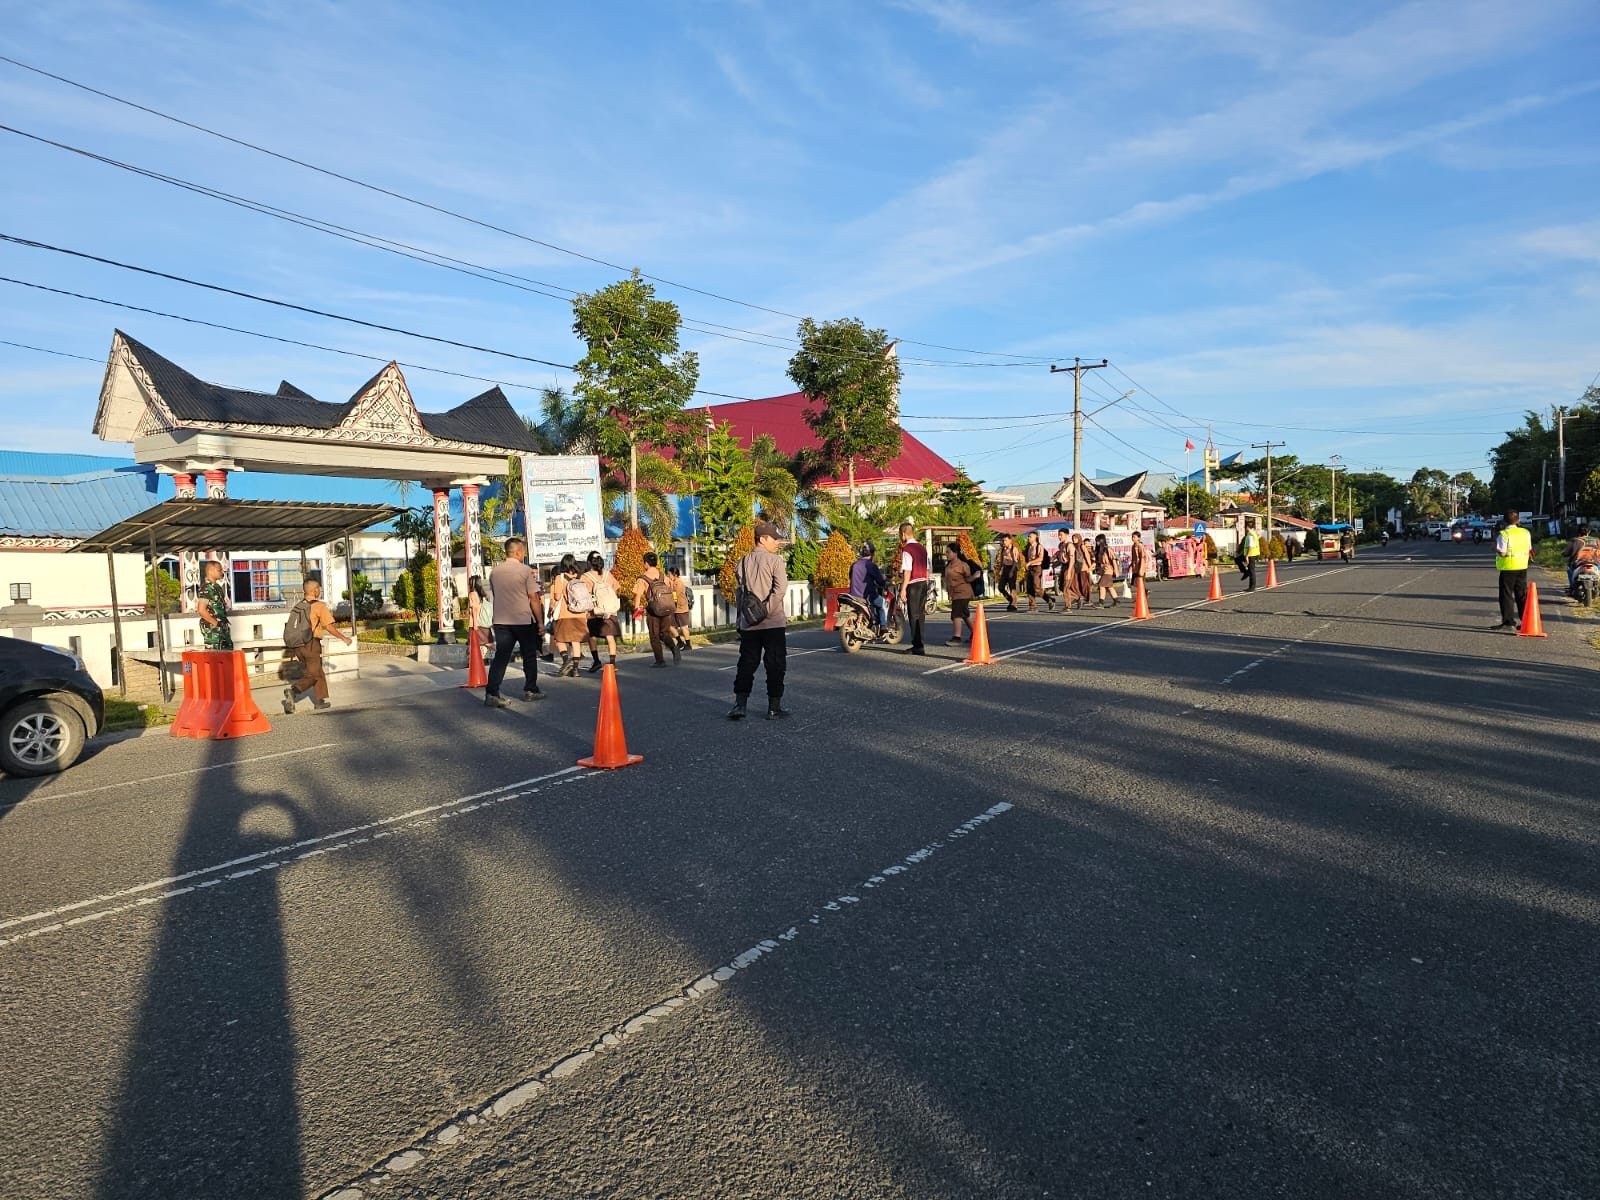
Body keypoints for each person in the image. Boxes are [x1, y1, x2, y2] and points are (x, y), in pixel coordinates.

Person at [729, 521, 790, 721]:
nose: (778, 543)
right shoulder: (776, 561)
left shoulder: (742, 562)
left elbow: (741, 594)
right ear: (762, 539)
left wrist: (742, 619)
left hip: (749, 623)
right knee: (775, 664)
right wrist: (766, 609)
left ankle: (740, 705)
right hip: (772, 623)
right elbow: (780, 589)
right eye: (775, 539)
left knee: (746, 663)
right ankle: (774, 708)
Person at [484, 536, 545, 707]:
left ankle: (492, 693)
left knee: (501, 657)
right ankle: (530, 690)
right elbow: (533, 598)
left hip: (501, 620)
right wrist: (540, 622)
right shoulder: (525, 571)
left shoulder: (495, 572)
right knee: (529, 655)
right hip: (523, 619)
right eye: (523, 552)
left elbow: (495, 595)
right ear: (518, 553)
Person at [282, 577, 352, 713]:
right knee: (313, 675)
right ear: (314, 591)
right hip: (311, 644)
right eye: (319, 588)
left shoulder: (297, 607)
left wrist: (294, 651)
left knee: (318, 672)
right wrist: (344, 638)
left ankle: (320, 702)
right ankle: (293, 691)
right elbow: (329, 627)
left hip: (298, 646)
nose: (319, 590)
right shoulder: (319, 606)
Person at [631, 551, 679, 667]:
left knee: (654, 636)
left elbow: (637, 595)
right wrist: (673, 604)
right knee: (664, 633)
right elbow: (672, 592)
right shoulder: (664, 577)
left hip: (653, 610)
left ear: (646, 563)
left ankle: (660, 661)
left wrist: (637, 611)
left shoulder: (643, 578)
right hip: (667, 608)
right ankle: (673, 647)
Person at [581, 551, 623, 673]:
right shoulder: (608, 575)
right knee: (610, 637)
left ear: (589, 563)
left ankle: (596, 661)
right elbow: (616, 588)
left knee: (592, 636)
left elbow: (585, 595)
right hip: (610, 610)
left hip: (595, 611)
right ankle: (612, 663)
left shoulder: (585, 577)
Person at [548, 554, 589, 676]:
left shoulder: (560, 577)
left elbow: (557, 596)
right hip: (580, 613)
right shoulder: (580, 577)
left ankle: (566, 661)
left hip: (565, 614)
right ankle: (575, 669)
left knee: (559, 639)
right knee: (576, 641)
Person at [1492, 510, 1532, 632]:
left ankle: (1508, 621)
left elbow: (1503, 553)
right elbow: (1529, 548)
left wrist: (1495, 548)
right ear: (1518, 520)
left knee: (1506, 595)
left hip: (1509, 567)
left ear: (1504, 522)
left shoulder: (1504, 534)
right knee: (1521, 594)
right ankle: (1525, 621)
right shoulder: (1525, 532)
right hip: (1522, 566)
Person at [898, 522, 931, 655]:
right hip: (923, 582)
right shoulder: (922, 548)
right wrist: (926, 582)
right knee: (921, 615)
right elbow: (927, 568)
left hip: (913, 584)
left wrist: (903, 589)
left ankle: (916, 645)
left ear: (903, 534)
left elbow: (907, 571)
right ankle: (920, 643)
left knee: (913, 615)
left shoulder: (907, 549)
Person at [942, 540, 979, 645]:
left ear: (955, 553)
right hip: (955, 593)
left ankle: (956, 637)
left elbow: (968, 579)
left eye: (948, 552)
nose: (946, 554)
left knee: (956, 615)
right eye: (946, 552)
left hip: (963, 593)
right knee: (964, 614)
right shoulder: (949, 565)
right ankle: (976, 634)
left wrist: (975, 576)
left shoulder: (963, 565)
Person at [849, 541, 889, 633]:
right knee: (882, 603)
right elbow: (880, 581)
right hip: (866, 596)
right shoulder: (871, 565)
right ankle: (883, 626)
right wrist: (884, 584)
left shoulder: (854, 565)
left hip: (853, 595)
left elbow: (850, 577)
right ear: (872, 553)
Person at [195, 559, 233, 650]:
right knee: (215, 657)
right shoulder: (206, 588)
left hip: (222, 628)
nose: (222, 572)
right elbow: (201, 610)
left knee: (227, 656)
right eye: (219, 570)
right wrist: (215, 623)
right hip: (213, 630)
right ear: (211, 571)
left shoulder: (217, 587)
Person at [667, 565, 694, 652]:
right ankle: (679, 641)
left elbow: (675, 595)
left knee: (683, 627)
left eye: (669, 574)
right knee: (670, 626)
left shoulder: (679, 583)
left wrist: (671, 585)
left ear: (674, 574)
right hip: (674, 608)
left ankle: (688, 644)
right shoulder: (673, 582)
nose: (668, 576)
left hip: (681, 608)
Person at [467, 574, 493, 659]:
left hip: (476, 623)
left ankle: (472, 663)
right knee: (487, 642)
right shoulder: (480, 594)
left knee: (473, 643)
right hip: (482, 622)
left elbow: (474, 609)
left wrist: (475, 624)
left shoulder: (472, 594)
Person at [1064, 533, 1093, 610]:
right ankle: (1078, 597)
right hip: (1075, 567)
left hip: (1083, 567)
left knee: (1084, 584)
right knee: (1075, 584)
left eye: (1076, 538)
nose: (1074, 540)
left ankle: (1088, 599)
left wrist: (1090, 566)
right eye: (1073, 538)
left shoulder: (1082, 546)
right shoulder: (1072, 546)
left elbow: (1087, 555)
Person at [1023, 530, 1047, 612]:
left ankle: (1049, 599)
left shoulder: (1039, 546)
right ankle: (1032, 606)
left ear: (1035, 538)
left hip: (1037, 567)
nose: (1028, 538)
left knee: (1036, 586)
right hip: (1030, 568)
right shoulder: (1028, 547)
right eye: (1028, 536)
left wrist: (1030, 562)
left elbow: (1041, 558)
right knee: (1029, 587)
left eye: (1030, 536)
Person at [996, 534, 1021, 612]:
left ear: (1010, 540)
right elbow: (1002, 561)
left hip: (1012, 568)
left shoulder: (1014, 549)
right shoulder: (1003, 549)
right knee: (1001, 587)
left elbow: (1015, 561)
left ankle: (1014, 604)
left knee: (1012, 587)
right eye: (1003, 540)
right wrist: (998, 570)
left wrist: (1011, 571)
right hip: (1005, 568)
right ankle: (1010, 599)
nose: (1004, 542)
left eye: (1005, 540)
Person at [1092, 534, 1118, 607]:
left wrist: (1116, 571)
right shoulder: (1099, 551)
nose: (1097, 543)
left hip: (1108, 570)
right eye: (1096, 541)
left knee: (1101, 585)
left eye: (1098, 541)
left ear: (1102, 541)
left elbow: (1113, 560)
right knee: (1109, 587)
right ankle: (1116, 600)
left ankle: (1101, 602)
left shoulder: (1108, 549)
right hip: (1103, 570)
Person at [1238, 523, 1261, 592]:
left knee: (1251, 571)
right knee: (1237, 559)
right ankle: (1245, 572)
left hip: (1251, 554)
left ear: (1247, 527)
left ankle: (1252, 587)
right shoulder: (1253, 533)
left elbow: (1251, 546)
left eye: (1245, 527)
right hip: (1253, 553)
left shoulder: (1251, 535)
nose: (1245, 528)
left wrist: (1247, 556)